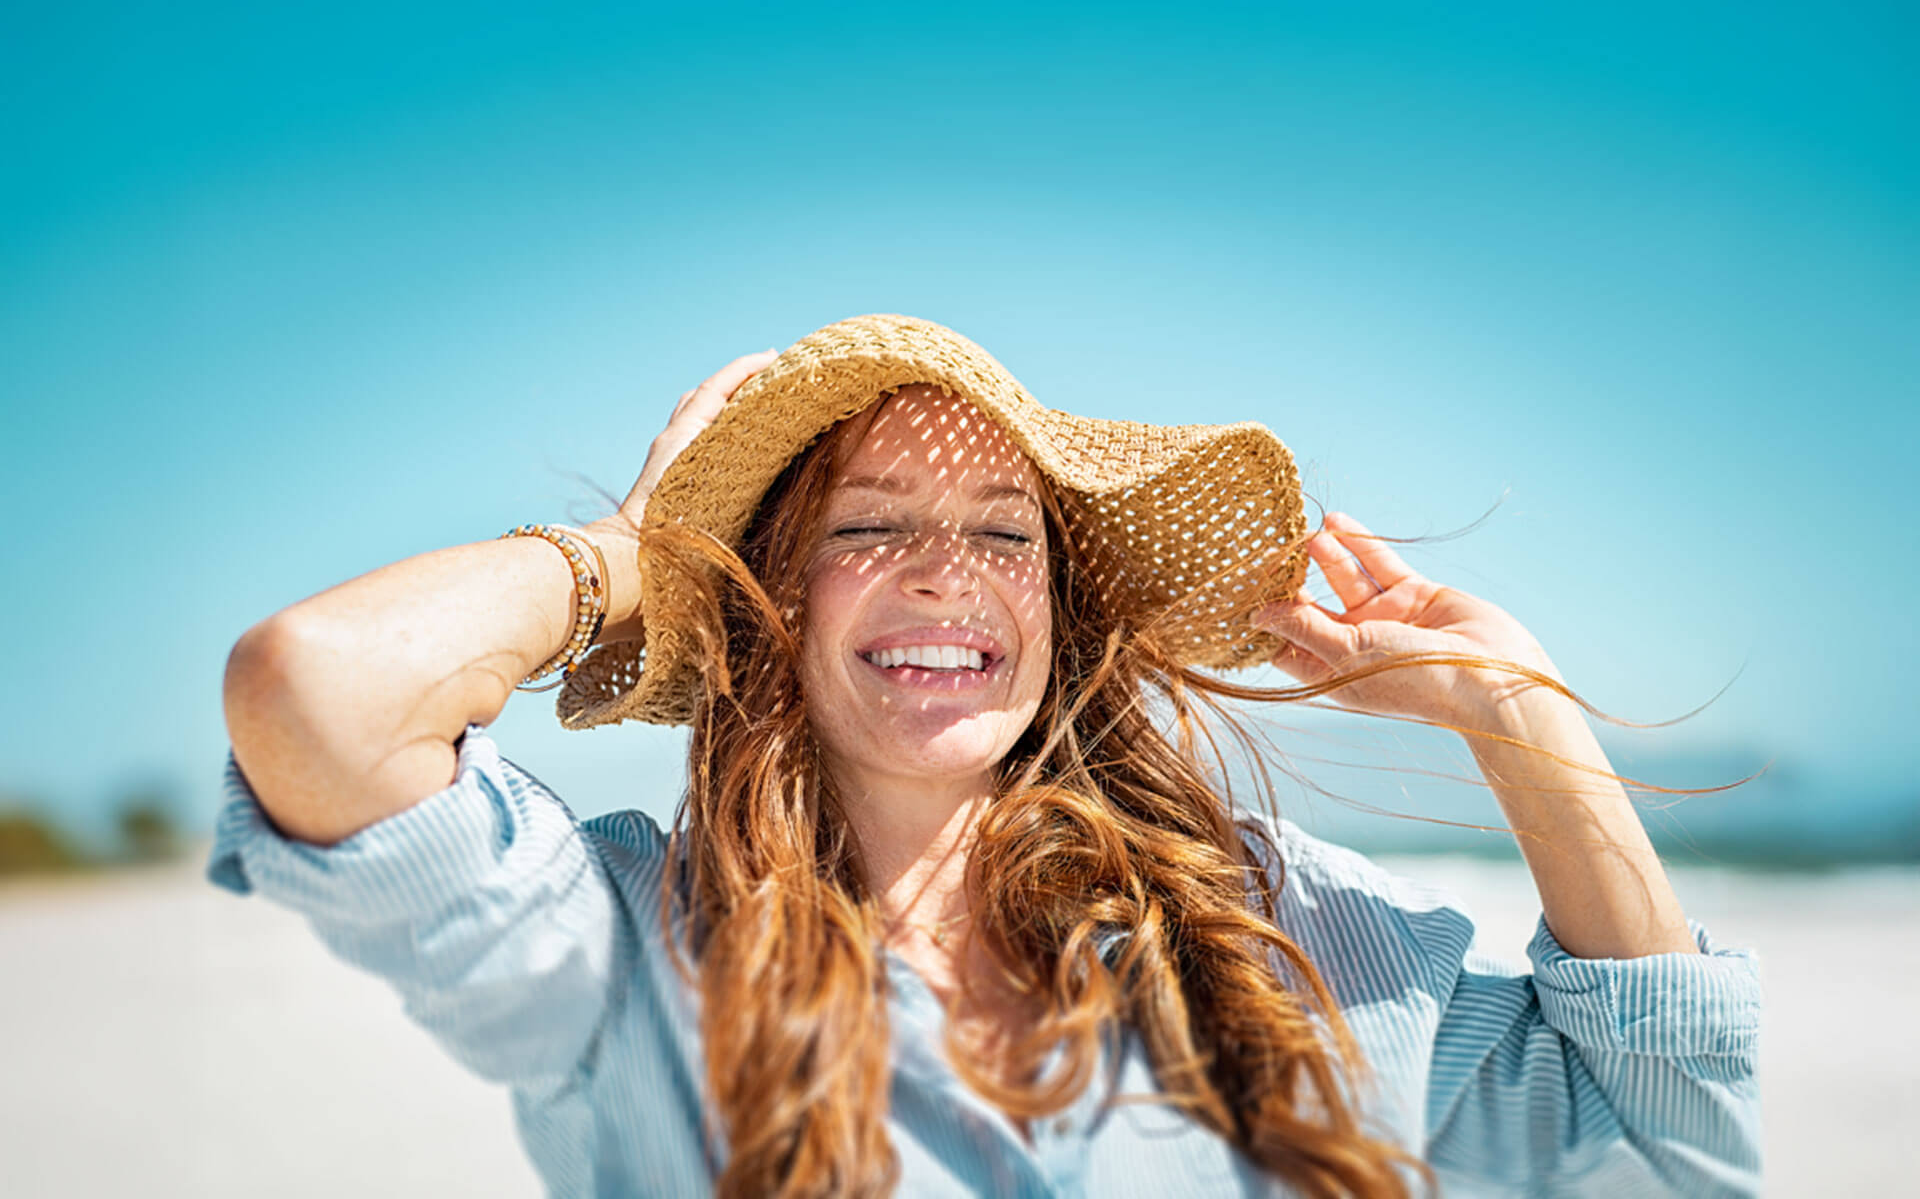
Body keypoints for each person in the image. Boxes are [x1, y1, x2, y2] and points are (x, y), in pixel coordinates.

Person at [211, 313, 1762, 1197]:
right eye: (868, 531)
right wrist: (634, 553)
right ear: (769, 607)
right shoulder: (618, 947)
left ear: (1061, 612)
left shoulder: (1275, 930)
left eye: (1004, 537)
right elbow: (317, 692)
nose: (944, 576)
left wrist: (1523, 720)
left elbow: (1669, 1152)